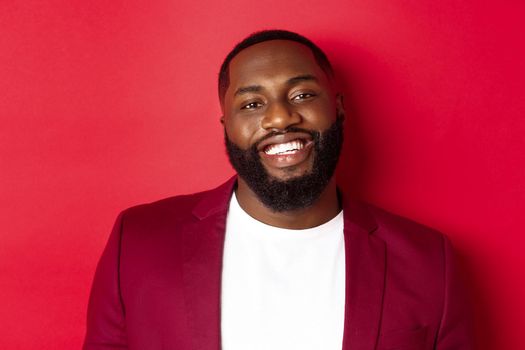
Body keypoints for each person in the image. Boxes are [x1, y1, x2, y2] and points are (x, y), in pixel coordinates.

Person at [83, 30, 473, 350]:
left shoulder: (428, 262)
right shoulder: (137, 242)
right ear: (227, 126)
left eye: (302, 95)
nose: (280, 117)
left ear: (337, 108)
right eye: (252, 103)